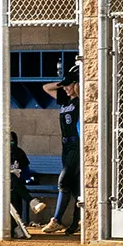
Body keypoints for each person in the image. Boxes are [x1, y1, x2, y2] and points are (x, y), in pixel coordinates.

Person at [41, 62, 80, 235]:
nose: (66, 89)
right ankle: (76, 221)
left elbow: (81, 91)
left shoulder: (80, 100)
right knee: (74, 185)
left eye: (69, 85)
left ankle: (56, 220)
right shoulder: (64, 99)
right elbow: (46, 88)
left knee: (63, 181)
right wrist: (64, 82)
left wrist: (76, 84)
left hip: (76, 144)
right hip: (65, 144)